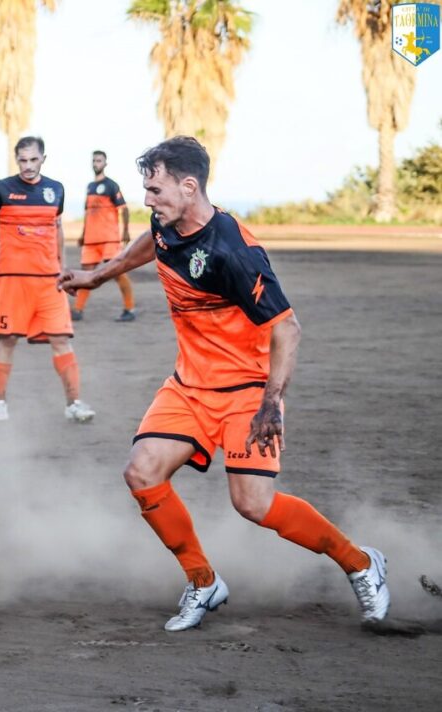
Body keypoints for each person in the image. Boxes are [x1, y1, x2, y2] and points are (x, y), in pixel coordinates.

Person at [58, 136, 389, 631]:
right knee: (142, 473)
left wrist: (272, 403)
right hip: (189, 385)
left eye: (156, 189)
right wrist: (99, 275)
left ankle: (362, 563)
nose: (147, 199)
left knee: (252, 504)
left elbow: (287, 328)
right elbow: (151, 242)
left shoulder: (235, 252)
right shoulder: (166, 222)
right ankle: (202, 580)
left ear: (189, 187)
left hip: (249, 392)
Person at [0, 136, 94, 424]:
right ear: (17, 161)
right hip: (13, 278)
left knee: (61, 338)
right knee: (7, 338)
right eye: (22, 160)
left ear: (43, 159)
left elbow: (58, 228)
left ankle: (74, 403)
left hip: (50, 280)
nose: (27, 166)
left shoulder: (55, 190)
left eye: (33, 159)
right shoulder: (1, 189)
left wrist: (64, 268)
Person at [71, 150, 135, 322]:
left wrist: (126, 231)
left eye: (99, 160)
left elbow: (124, 208)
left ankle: (129, 308)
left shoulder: (111, 185)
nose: (96, 163)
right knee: (85, 276)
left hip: (109, 239)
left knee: (117, 273)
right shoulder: (90, 187)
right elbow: (87, 212)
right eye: (94, 160)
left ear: (105, 164)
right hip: (91, 240)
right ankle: (77, 310)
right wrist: (83, 234)